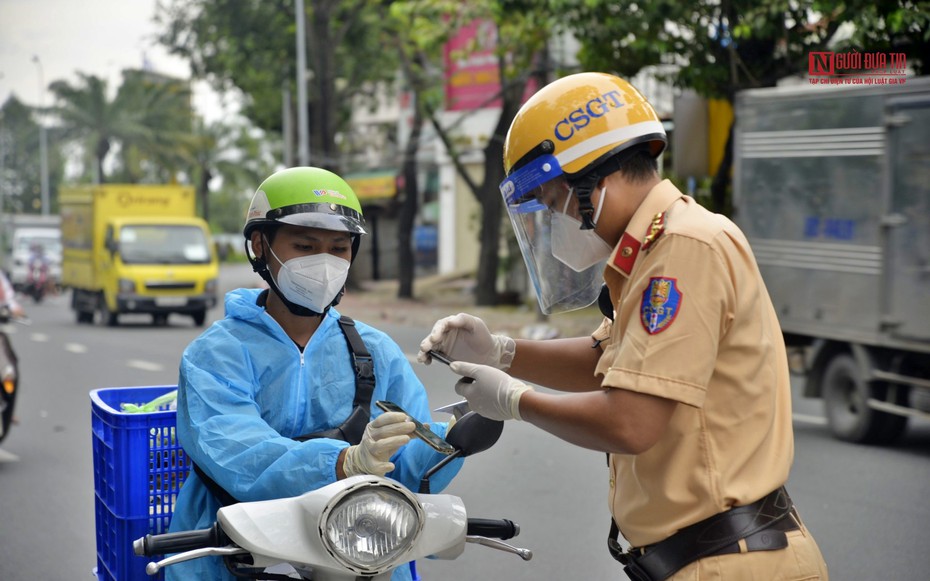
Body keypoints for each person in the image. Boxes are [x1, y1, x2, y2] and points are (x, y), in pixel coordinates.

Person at [419, 72, 829, 581]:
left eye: (553, 203)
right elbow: (604, 364)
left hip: (729, 561)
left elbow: (632, 422)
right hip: (708, 558)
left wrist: (513, 400)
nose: (555, 223)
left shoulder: (683, 248)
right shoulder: (651, 252)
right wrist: (500, 350)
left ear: (595, 179)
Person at [169, 167, 462, 581]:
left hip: (357, 555)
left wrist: (458, 437)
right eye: (305, 245)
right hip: (232, 557)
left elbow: (409, 469)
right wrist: (344, 462)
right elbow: (240, 455)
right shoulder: (215, 355)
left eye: (339, 248)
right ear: (260, 245)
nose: (324, 263)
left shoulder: (375, 351)